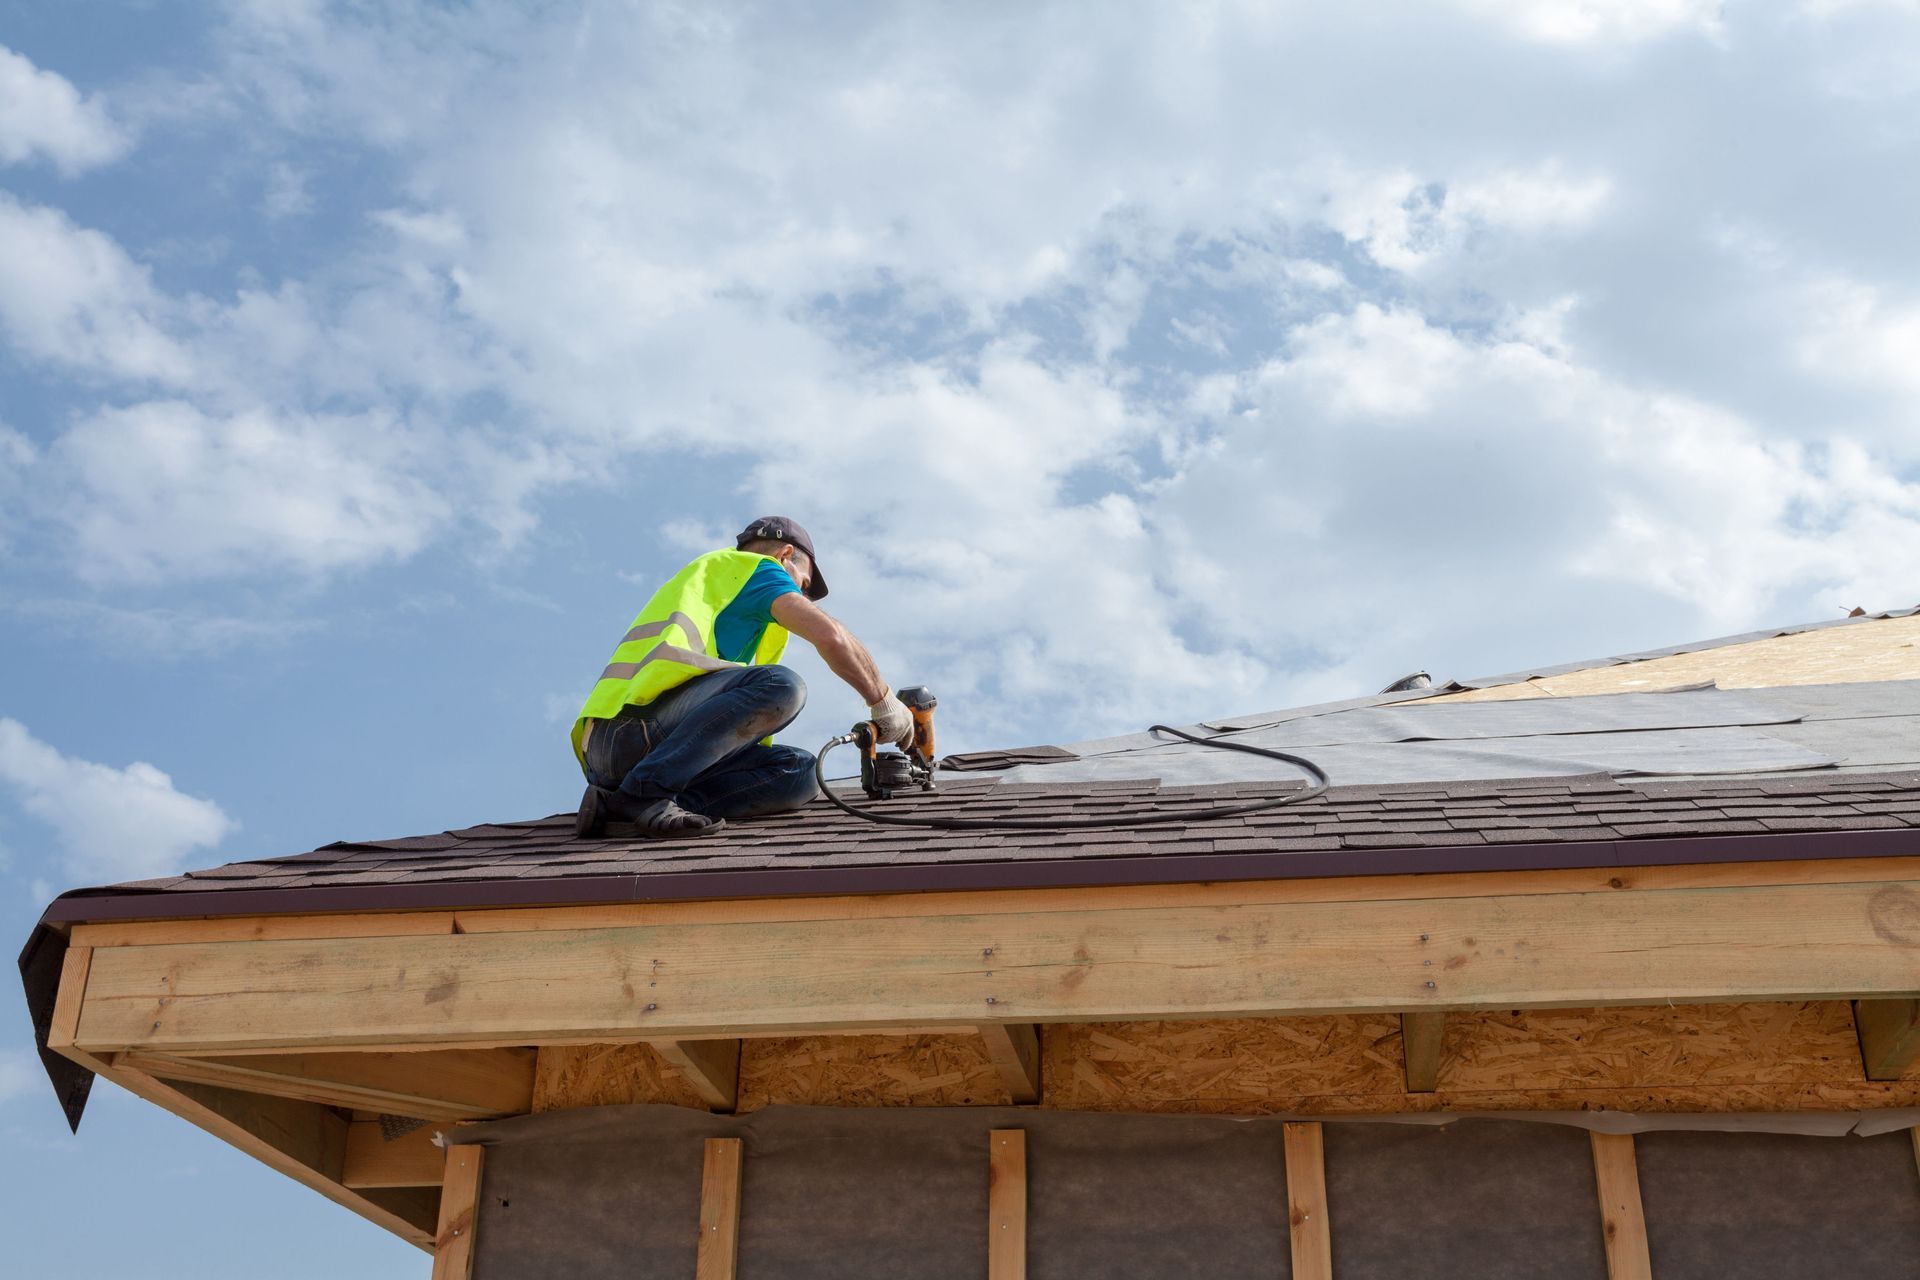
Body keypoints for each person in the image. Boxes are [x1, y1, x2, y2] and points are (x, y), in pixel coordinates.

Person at [571, 516, 915, 838]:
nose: (803, 593)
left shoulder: (723, 589)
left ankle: (625, 811)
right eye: (804, 582)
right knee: (782, 686)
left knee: (801, 771)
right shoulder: (755, 569)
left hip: (633, 749)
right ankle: (643, 795)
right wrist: (883, 701)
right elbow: (831, 636)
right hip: (627, 733)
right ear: (786, 555)